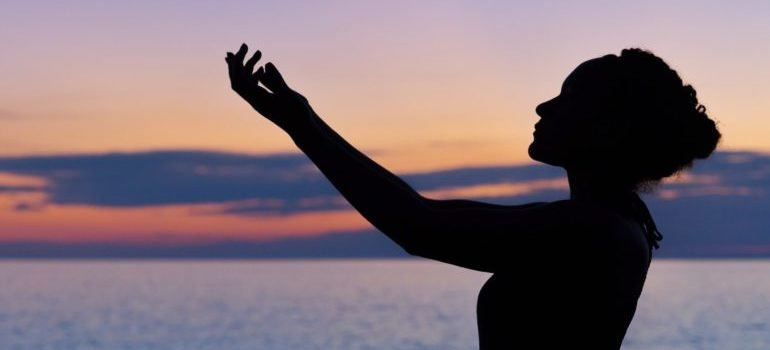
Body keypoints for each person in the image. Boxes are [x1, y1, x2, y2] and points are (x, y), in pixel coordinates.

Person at [225, 44, 721, 349]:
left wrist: (301, 125)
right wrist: (303, 122)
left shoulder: (594, 232)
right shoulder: (605, 222)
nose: (544, 105)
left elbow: (417, 226)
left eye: (568, 98)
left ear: (607, 127)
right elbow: (424, 215)